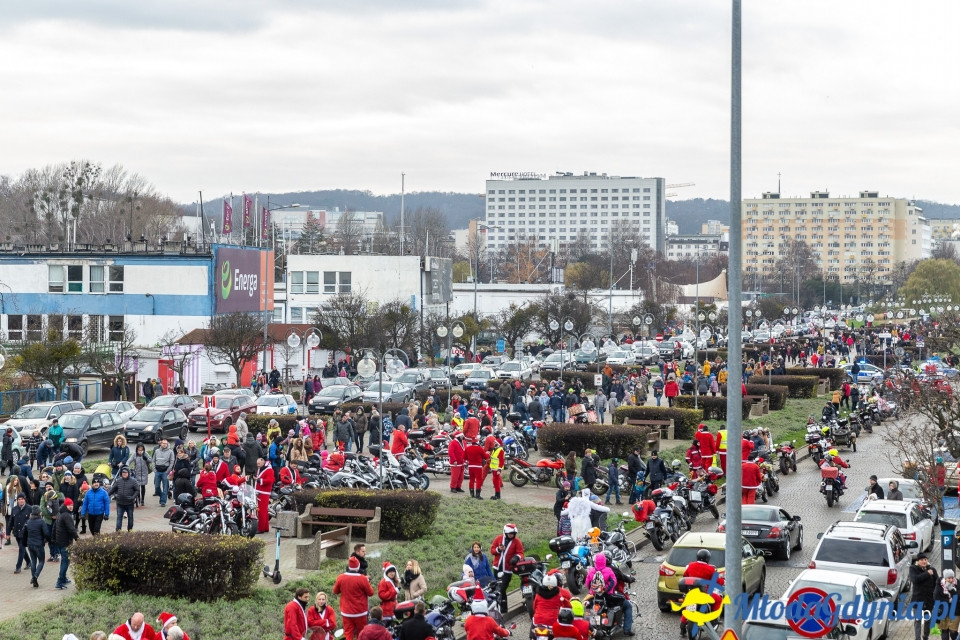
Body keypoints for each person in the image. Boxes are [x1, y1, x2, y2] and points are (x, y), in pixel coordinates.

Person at [679, 549, 724, 636]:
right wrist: (723, 582)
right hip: (705, 593)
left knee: (688, 607)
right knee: (718, 600)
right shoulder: (710, 569)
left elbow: (685, 576)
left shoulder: (691, 565)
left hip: (691, 592)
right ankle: (714, 619)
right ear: (707, 559)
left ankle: (682, 625)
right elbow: (717, 580)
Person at [333, 555, 375, 640]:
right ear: (358, 567)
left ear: (349, 566)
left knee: (348, 633)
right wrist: (367, 583)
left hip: (346, 611)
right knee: (361, 633)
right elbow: (371, 593)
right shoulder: (362, 579)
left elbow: (335, 591)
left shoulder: (341, 577)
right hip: (360, 611)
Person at [491, 522, 525, 604]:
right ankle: (498, 606)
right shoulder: (498, 539)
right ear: (505, 533)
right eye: (510, 534)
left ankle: (503, 607)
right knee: (496, 588)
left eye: (513, 534)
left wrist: (516, 557)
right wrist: (498, 549)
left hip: (507, 570)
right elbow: (492, 550)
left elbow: (521, 553)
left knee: (502, 588)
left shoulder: (517, 541)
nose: (511, 535)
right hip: (497, 568)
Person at [911, 553, 939, 640]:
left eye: (925, 560)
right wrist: (927, 573)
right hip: (918, 599)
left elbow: (937, 583)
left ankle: (925, 636)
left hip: (929, 600)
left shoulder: (932, 570)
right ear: (918, 561)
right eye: (922, 560)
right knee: (918, 620)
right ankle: (917, 638)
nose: (924, 561)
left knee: (928, 620)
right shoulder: (913, 569)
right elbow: (915, 579)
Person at [52, 496, 76, 589]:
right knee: (66, 561)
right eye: (69, 505)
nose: (71, 506)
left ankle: (64, 578)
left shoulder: (61, 514)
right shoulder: (66, 515)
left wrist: (53, 538)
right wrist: (77, 538)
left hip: (60, 541)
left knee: (65, 561)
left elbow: (55, 527)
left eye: (72, 505)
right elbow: (71, 529)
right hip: (65, 541)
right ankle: (60, 581)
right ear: (65, 506)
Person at [110, 466, 138, 531]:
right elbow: (113, 489)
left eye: (125, 473)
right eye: (123, 473)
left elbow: (137, 490)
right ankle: (118, 531)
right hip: (120, 503)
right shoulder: (118, 481)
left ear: (128, 473)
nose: (124, 474)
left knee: (130, 518)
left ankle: (130, 531)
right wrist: (108, 495)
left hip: (129, 503)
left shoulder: (133, 481)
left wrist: (133, 497)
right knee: (119, 518)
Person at [937, 569, 960, 640]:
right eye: (949, 578)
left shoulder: (957, 584)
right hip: (943, 610)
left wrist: (951, 589)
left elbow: (958, 595)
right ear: (945, 578)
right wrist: (948, 600)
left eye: (952, 578)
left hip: (955, 611)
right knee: (944, 631)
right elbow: (936, 597)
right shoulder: (939, 585)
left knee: (953, 632)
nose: (951, 580)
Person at [152, 440, 174, 508]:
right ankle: (162, 496)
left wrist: (168, 471)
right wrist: (154, 470)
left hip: (165, 472)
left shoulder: (170, 452)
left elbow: (171, 462)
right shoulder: (157, 451)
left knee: (165, 488)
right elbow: (153, 461)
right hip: (157, 471)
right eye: (163, 443)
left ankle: (163, 501)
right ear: (161, 444)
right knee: (157, 486)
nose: (164, 445)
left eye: (166, 444)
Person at [255, 457, 274, 534]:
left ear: (263, 462)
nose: (258, 465)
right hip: (260, 491)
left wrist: (259, 480)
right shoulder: (260, 469)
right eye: (257, 463)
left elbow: (270, 480)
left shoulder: (269, 470)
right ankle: (265, 527)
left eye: (259, 463)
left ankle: (261, 528)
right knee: (264, 511)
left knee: (261, 511)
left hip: (264, 492)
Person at [11, 493, 29, 573]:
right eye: (19, 499)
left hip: (25, 533)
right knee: (22, 549)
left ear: (24, 500)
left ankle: (18, 567)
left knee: (21, 549)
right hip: (17, 533)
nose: (20, 501)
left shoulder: (29, 508)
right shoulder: (14, 509)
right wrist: (8, 533)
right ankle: (28, 562)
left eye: (22, 499)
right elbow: (11, 522)